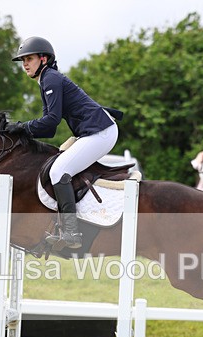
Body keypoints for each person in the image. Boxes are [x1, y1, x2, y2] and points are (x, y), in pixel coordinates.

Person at [7, 36, 119, 250]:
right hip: (94, 132)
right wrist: (23, 128)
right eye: (23, 61)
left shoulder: (50, 79)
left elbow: (51, 121)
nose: (25, 65)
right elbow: (49, 129)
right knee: (58, 166)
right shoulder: (47, 80)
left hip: (101, 132)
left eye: (29, 59)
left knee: (58, 171)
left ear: (44, 59)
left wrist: (22, 127)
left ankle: (72, 233)